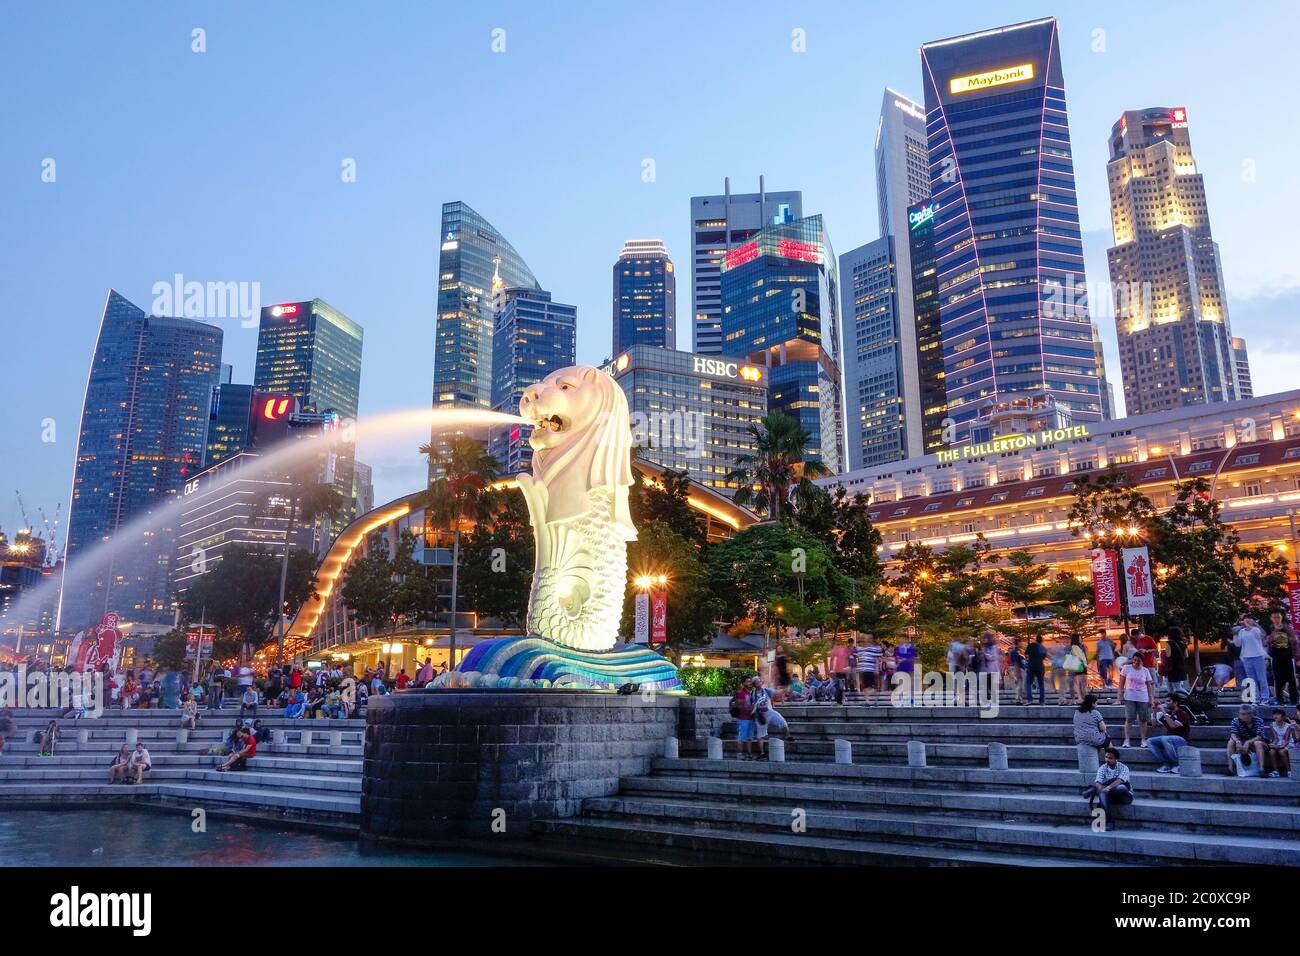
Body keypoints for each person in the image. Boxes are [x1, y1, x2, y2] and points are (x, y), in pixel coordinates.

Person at [1088, 748, 1134, 829]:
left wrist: (1107, 788)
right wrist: (1100, 788)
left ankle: (1095, 792)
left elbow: (1120, 780)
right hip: (1110, 796)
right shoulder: (1102, 768)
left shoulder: (1123, 767)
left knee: (1121, 787)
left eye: (1110, 758)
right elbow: (1098, 782)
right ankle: (1110, 821)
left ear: (1116, 759)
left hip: (1124, 796)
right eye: (1106, 757)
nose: (1107, 760)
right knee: (1102, 793)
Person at [1117, 654, 1155, 749]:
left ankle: (1143, 740)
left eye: (1138, 660)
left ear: (1142, 661)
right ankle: (1127, 740)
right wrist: (1119, 696)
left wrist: (1151, 698)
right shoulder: (1126, 668)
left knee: (1143, 719)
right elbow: (1121, 684)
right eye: (1134, 660)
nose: (1136, 662)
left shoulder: (1145, 671)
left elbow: (1149, 685)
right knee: (1129, 718)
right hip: (1130, 697)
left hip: (1143, 697)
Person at [1232, 614, 1272, 704]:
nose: (1247, 621)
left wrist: (1249, 625)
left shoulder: (1256, 630)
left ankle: (1265, 697)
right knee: (1251, 679)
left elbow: (1258, 637)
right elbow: (1238, 644)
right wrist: (1235, 634)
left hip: (1257, 656)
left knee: (1261, 678)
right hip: (1246, 657)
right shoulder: (1241, 631)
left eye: (1249, 619)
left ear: (1253, 621)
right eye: (1246, 619)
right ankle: (1256, 698)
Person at [1146, 698, 1192, 773]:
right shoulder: (1167, 714)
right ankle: (1166, 764)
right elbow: (1154, 726)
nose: (1166, 703)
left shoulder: (1182, 713)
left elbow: (1172, 726)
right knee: (1150, 741)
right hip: (1170, 740)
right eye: (1165, 701)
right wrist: (1154, 711)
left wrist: (1164, 711)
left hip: (1182, 740)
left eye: (1169, 701)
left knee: (1165, 739)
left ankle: (1177, 764)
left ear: (1175, 702)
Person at [1266, 611, 1299, 706]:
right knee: (1277, 679)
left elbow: (1295, 641)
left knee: (1291, 679)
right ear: (1271, 619)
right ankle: (1279, 700)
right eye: (1274, 617)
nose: (1276, 619)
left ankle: (1294, 700)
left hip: (1288, 656)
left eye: (1278, 617)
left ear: (1281, 618)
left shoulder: (1288, 628)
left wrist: (1295, 654)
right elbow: (1266, 642)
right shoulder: (1270, 629)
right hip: (1276, 657)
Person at [1227, 704, 1268, 776]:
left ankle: (1261, 769)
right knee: (1230, 742)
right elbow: (1233, 735)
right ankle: (1230, 768)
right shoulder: (1235, 721)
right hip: (1242, 741)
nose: (1245, 716)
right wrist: (1237, 741)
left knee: (1258, 743)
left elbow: (1260, 736)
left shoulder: (1258, 721)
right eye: (1242, 714)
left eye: (1248, 714)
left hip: (1256, 741)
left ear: (1252, 714)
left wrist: (1248, 742)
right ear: (1239, 714)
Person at [1265, 708, 1296, 778]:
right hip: (1279, 742)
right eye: (1274, 714)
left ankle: (1289, 771)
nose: (1275, 716)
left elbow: (1286, 739)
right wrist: (1273, 744)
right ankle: (1276, 771)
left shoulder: (1288, 726)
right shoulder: (1272, 725)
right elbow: (1276, 738)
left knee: (1282, 752)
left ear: (1283, 717)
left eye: (1278, 714)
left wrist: (1280, 746)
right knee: (1271, 752)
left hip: (1288, 743)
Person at [731, 678, 756, 759]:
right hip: (744, 718)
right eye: (747, 681)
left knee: (750, 737)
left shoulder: (750, 693)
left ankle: (749, 753)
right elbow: (740, 706)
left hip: (751, 717)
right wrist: (750, 709)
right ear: (743, 683)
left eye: (750, 681)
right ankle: (739, 754)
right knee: (741, 736)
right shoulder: (741, 693)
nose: (749, 683)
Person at [1163, 626, 1190, 695]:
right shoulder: (1183, 643)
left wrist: (1164, 652)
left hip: (1172, 668)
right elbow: (1186, 655)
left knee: (1177, 687)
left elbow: (1168, 655)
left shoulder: (1168, 643)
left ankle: (1188, 697)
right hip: (1181, 666)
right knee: (1173, 686)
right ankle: (1173, 702)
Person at [1024, 635, 1048, 706]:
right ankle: (1042, 701)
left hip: (1031, 666)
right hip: (1040, 666)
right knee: (1041, 684)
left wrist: (1029, 660)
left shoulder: (1031, 645)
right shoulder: (1043, 648)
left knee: (1028, 683)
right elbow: (1043, 657)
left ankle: (1029, 700)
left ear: (1035, 639)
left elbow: (1026, 655)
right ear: (1042, 640)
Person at [1064, 637, 1088, 705]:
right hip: (1082, 666)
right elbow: (1085, 656)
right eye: (1080, 638)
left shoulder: (1069, 647)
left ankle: (1079, 699)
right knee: (1082, 685)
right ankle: (1083, 699)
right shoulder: (1082, 647)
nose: (1081, 639)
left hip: (1075, 667)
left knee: (1076, 684)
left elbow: (1066, 656)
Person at [1007, 639, 1026, 705]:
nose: (1022, 644)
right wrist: (1018, 671)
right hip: (1018, 669)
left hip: (1020, 669)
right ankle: (1018, 700)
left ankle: (1020, 699)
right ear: (1018, 643)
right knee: (1019, 685)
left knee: (1020, 685)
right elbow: (1015, 662)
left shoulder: (1018, 651)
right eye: (1021, 643)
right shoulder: (1014, 652)